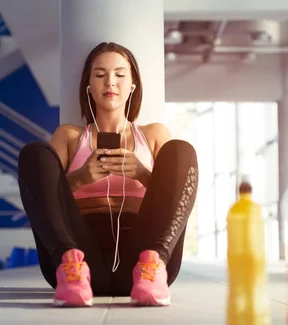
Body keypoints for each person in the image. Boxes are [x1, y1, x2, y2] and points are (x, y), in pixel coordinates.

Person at [18, 42, 198, 307]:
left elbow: (175, 197)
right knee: (34, 153)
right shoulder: (69, 136)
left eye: (119, 75)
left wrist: (141, 174)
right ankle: (69, 265)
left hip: (143, 256)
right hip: (79, 253)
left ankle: (155, 264)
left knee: (181, 150)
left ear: (132, 85)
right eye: (100, 75)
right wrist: (81, 178)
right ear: (89, 86)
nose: (110, 82)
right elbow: (44, 196)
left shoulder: (153, 134)